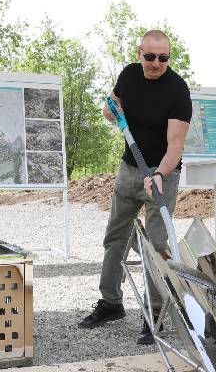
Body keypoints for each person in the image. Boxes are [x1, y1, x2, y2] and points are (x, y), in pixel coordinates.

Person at [78, 29, 192, 345]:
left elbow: (176, 145)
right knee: (115, 237)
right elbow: (110, 108)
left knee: (156, 246)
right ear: (139, 52)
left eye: (163, 58)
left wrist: (159, 174)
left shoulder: (178, 90)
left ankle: (154, 313)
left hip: (162, 174)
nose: (156, 63)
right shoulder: (128, 75)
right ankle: (111, 303)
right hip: (129, 169)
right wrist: (111, 111)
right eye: (150, 56)